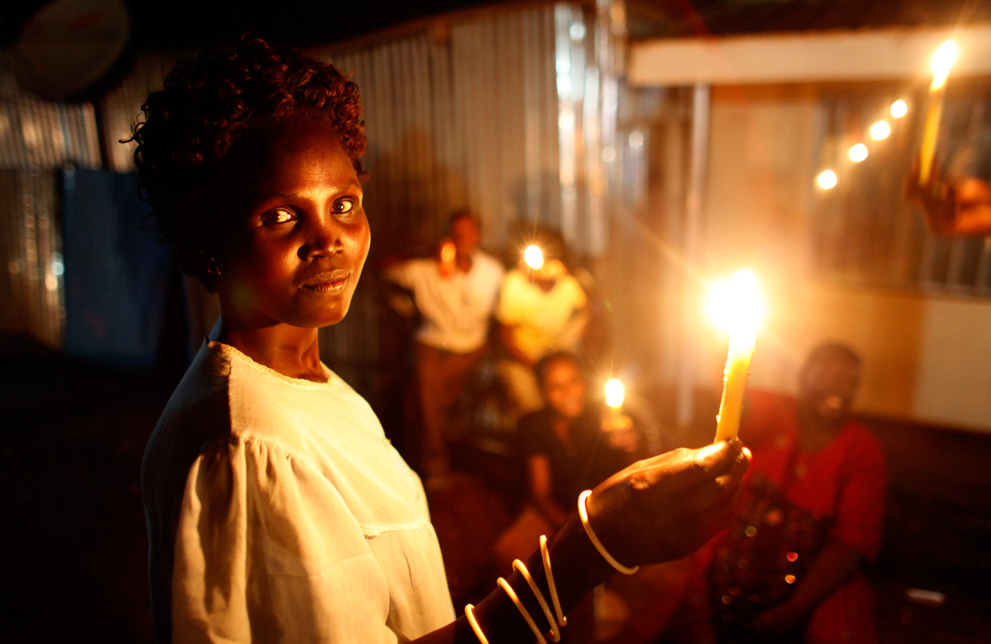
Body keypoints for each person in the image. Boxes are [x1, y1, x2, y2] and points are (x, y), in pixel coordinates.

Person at [135, 36, 749, 644]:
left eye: (344, 204)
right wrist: (589, 549)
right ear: (208, 242)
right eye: (280, 216)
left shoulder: (310, 389)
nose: (330, 240)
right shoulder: (251, 448)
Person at [670, 343, 887, 644]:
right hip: (725, 566)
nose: (839, 386)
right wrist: (727, 357)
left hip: (809, 587)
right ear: (803, 376)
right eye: (827, 375)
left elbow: (851, 542)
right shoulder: (776, 412)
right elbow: (739, 409)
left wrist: (795, 608)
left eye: (850, 380)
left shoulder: (862, 450)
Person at [381, 211, 505, 481]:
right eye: (456, 233)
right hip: (432, 341)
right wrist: (425, 252)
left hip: (472, 345)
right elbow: (384, 267)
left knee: (420, 396)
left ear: (478, 236)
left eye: (467, 232)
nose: (461, 238)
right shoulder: (424, 268)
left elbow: (505, 314)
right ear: (447, 235)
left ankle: (427, 461)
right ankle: (434, 461)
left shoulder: (492, 272)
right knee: (426, 377)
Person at [496, 352, 647, 568]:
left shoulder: (601, 418)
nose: (567, 392)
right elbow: (541, 495)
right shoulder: (534, 425)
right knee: (510, 554)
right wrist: (574, 530)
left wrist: (630, 445)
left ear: (584, 382)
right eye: (556, 386)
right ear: (542, 391)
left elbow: (634, 472)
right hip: (554, 513)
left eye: (573, 381)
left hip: (601, 512)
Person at [495, 229, 590, 416]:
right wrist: (535, 366)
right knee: (531, 404)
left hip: (561, 352)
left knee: (571, 397)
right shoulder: (514, 284)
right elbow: (505, 336)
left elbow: (593, 314)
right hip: (525, 356)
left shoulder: (571, 284)